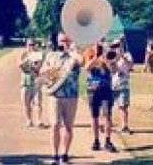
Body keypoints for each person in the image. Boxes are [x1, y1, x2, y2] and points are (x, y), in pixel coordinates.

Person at [39, 32, 82, 164]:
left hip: (71, 95)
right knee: (55, 125)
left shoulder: (75, 56)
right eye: (62, 41)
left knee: (68, 127)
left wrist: (72, 51)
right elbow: (43, 74)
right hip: (55, 95)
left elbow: (82, 62)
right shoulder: (51, 56)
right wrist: (52, 72)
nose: (64, 43)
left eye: (67, 40)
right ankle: (55, 154)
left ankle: (65, 154)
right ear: (57, 42)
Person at [85, 43, 117, 153]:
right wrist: (96, 57)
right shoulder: (90, 55)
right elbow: (87, 67)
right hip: (93, 89)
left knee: (107, 115)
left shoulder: (107, 57)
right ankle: (96, 140)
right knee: (95, 116)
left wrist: (106, 60)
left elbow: (114, 69)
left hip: (105, 88)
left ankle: (108, 141)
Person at [18, 38, 44, 128]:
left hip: (36, 81)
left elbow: (38, 67)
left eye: (33, 44)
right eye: (29, 45)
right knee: (26, 103)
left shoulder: (38, 54)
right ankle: (29, 120)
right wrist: (28, 60)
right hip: (25, 81)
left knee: (38, 102)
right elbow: (20, 66)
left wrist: (31, 64)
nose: (31, 47)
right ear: (26, 45)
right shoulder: (23, 54)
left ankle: (39, 120)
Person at [110, 39, 133, 134]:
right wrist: (115, 59)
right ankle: (109, 125)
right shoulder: (111, 56)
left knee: (123, 106)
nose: (116, 48)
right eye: (114, 46)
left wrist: (122, 56)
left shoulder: (127, 55)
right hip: (112, 85)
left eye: (118, 45)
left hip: (123, 85)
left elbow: (130, 66)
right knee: (108, 107)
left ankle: (124, 126)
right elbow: (111, 69)